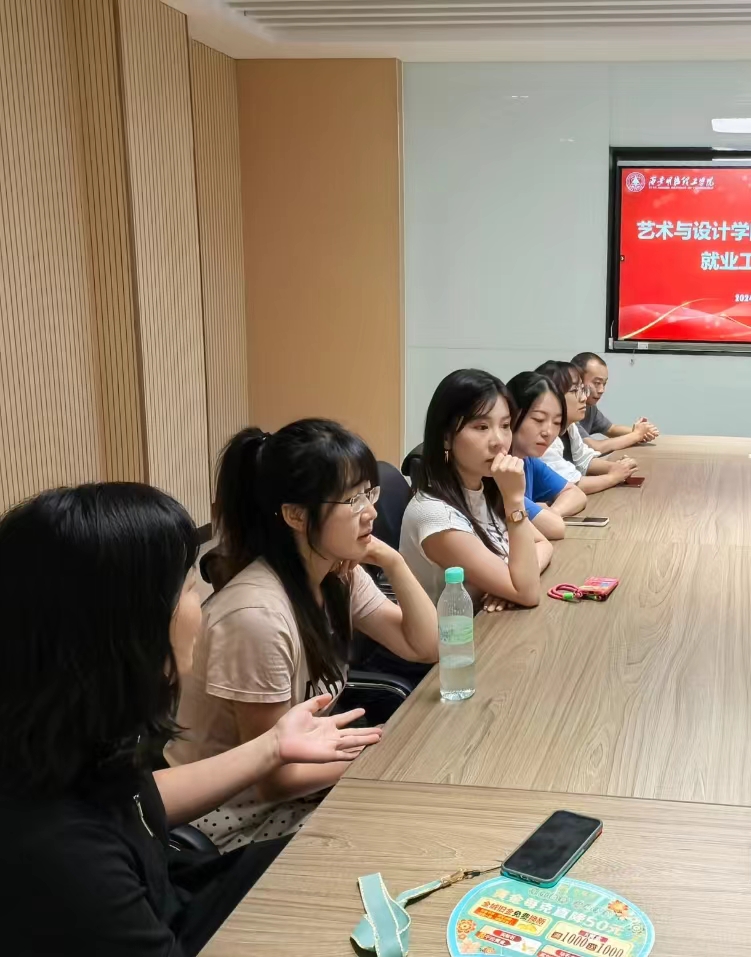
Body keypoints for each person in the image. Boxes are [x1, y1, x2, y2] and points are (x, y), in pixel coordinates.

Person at [0, 483, 383, 955]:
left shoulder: (65, 732)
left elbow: (136, 800)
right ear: (127, 628)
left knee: (350, 858)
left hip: (176, 888)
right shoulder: (62, 855)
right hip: (177, 922)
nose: (200, 604)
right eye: (185, 589)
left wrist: (272, 746)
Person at [168, 420, 440, 851]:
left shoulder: (336, 572)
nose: (370, 511)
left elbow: (425, 646)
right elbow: (274, 779)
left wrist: (393, 561)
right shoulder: (257, 617)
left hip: (303, 789)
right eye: (352, 499)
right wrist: (384, 759)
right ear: (295, 515)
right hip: (238, 819)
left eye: (369, 492)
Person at [401, 369, 554, 614]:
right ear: (446, 437)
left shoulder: (484, 489)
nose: (499, 441)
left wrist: (509, 581)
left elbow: (543, 543)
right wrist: (514, 500)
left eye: (505, 425)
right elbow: (527, 593)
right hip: (455, 637)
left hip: (491, 625)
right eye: (482, 427)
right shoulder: (436, 516)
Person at [506, 371, 589, 540]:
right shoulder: (499, 471)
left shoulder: (528, 461)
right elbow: (555, 528)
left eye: (557, 422)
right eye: (538, 419)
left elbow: (576, 494)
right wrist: (547, 517)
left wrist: (552, 512)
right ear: (512, 415)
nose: (548, 432)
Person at [536, 360, 638, 493]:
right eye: (575, 390)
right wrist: (613, 477)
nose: (584, 397)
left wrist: (616, 467)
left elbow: (584, 460)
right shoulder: (544, 437)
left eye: (582, 390)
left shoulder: (570, 426)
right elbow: (569, 484)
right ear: (552, 396)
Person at [572, 351, 659, 452]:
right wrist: (636, 435)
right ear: (576, 380)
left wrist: (640, 431)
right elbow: (593, 447)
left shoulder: (589, 406)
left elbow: (611, 429)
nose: (601, 390)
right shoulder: (568, 410)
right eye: (597, 383)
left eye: (604, 383)